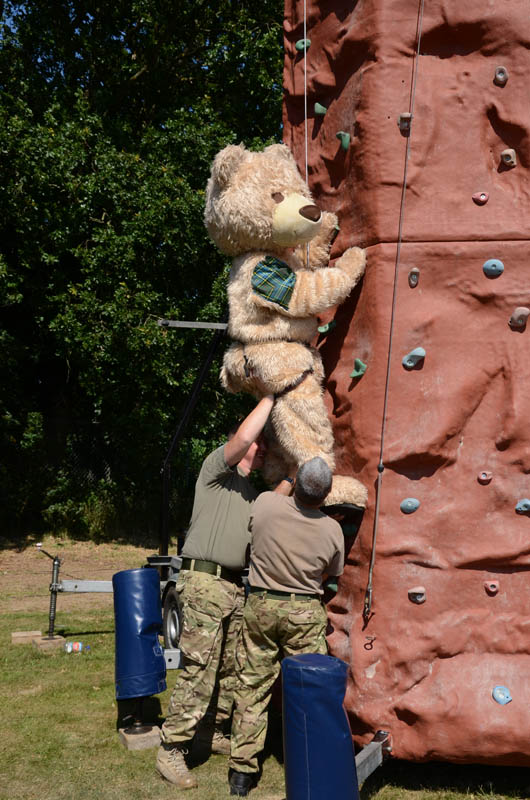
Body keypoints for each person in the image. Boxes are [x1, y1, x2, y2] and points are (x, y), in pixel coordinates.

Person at [156, 391, 293, 790]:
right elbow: (244, 438)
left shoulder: (252, 494)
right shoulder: (215, 471)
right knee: (199, 670)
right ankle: (171, 747)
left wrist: (298, 469)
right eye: (259, 444)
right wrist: (271, 395)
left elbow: (275, 501)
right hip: (204, 583)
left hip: (234, 587)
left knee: (231, 671)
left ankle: (212, 731)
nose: (262, 449)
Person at [227, 457, 344, 797]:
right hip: (304, 612)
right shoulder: (332, 529)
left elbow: (271, 503)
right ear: (326, 495)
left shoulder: (266, 504)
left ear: (297, 484)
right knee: (309, 691)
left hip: (261, 605)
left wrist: (290, 477)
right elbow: (331, 573)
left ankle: (242, 772)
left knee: (252, 686)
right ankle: (309, 762)